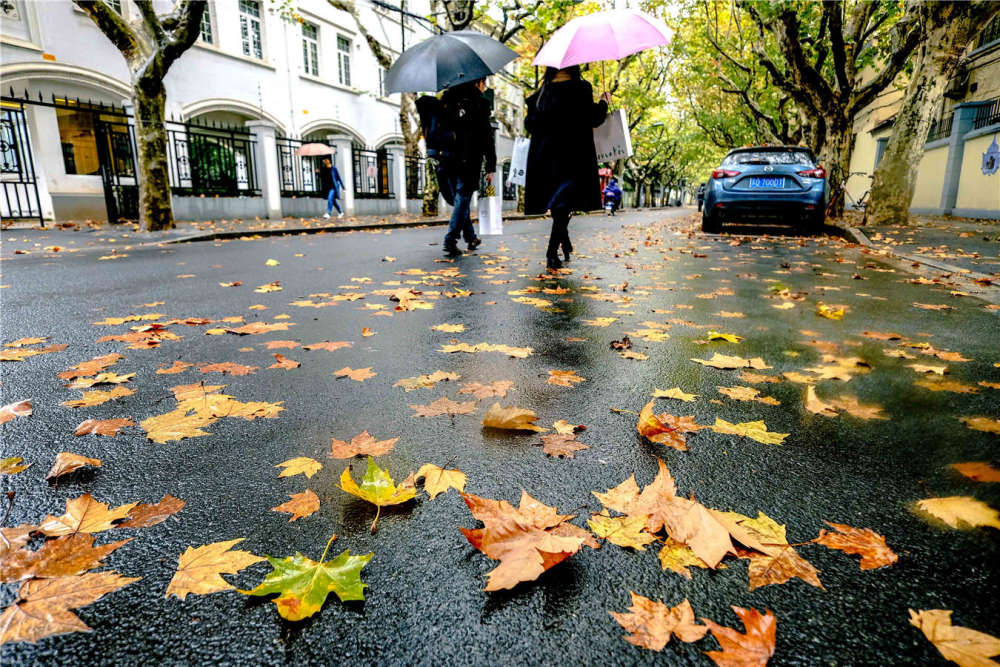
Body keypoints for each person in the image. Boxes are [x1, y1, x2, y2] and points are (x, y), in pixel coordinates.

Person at [524, 66, 609, 270]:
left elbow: (530, 125)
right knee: (563, 205)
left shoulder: (541, 94)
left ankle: (565, 243)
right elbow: (594, 118)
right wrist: (604, 102)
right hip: (573, 157)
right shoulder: (581, 88)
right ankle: (552, 253)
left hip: (545, 158)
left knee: (559, 205)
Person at [437, 78, 496, 257]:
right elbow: (487, 136)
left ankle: (470, 237)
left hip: (446, 158)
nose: (484, 87)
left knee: (460, 201)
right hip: (468, 159)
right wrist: (491, 165)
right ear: (477, 82)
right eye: (484, 83)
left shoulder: (446, 101)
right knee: (463, 198)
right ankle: (451, 239)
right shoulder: (480, 103)